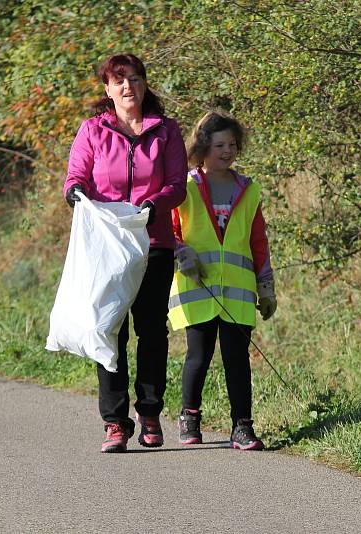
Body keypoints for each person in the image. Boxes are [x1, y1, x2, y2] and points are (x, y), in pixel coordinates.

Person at [63, 53, 187, 453]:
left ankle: (149, 413)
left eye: (134, 79)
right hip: (107, 247)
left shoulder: (166, 131)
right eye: (119, 81)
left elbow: (177, 186)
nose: (127, 87)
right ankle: (115, 422)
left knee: (151, 329)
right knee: (109, 328)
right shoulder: (92, 130)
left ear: (145, 83)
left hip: (153, 244)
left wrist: (155, 204)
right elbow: (76, 177)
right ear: (107, 89)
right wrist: (75, 194)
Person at [168, 111, 277, 451]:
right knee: (197, 355)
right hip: (196, 286)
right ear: (203, 147)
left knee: (237, 358)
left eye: (232, 144)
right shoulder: (183, 186)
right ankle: (189, 415)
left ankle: (242, 426)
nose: (227, 151)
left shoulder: (249, 189)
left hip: (238, 290)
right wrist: (180, 252)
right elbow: (168, 229)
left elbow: (258, 240)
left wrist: (266, 284)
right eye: (219, 145)